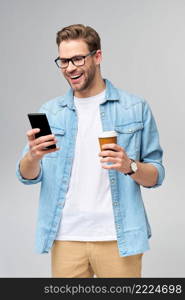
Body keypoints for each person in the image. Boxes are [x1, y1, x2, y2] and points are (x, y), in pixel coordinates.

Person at [16, 24, 165, 278]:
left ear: (97, 57)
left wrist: (129, 165)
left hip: (118, 237)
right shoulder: (51, 112)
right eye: (63, 61)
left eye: (77, 59)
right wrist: (32, 157)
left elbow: (156, 175)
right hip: (66, 239)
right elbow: (27, 175)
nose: (70, 68)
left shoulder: (134, 108)